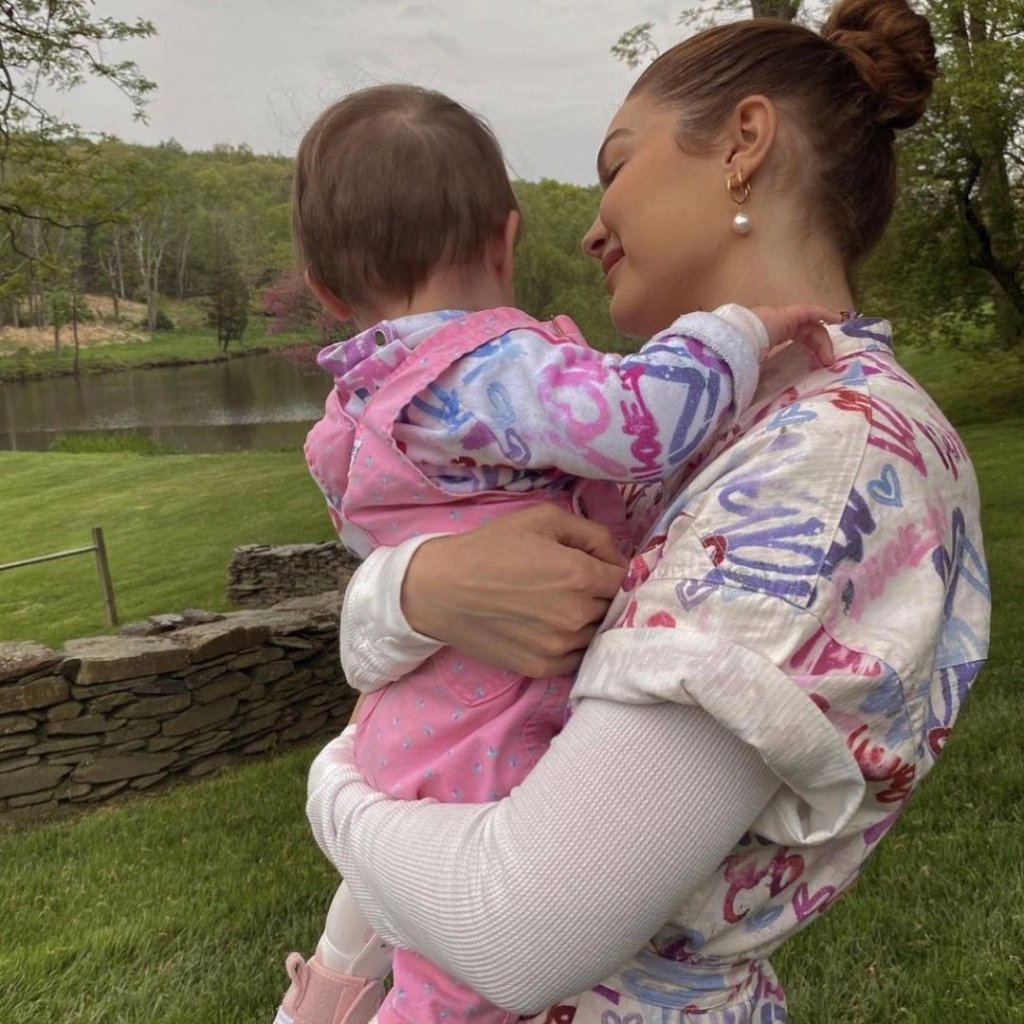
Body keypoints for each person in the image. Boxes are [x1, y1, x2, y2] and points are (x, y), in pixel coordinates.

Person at [305, 1, 991, 1023]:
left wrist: (333, 790)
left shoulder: (832, 458)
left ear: (744, 145)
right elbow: (440, 597)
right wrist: (409, 590)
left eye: (614, 166)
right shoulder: (731, 428)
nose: (586, 227)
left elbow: (520, 923)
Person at [278, 83, 835, 1024]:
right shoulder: (492, 368)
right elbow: (637, 419)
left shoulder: (358, 410)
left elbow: (376, 548)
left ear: (329, 294)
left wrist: (403, 594)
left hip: (419, 708)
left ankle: (322, 1003)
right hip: (501, 708)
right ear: (506, 238)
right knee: (455, 983)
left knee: (410, 914)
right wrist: (735, 332)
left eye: (615, 166)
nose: (594, 223)